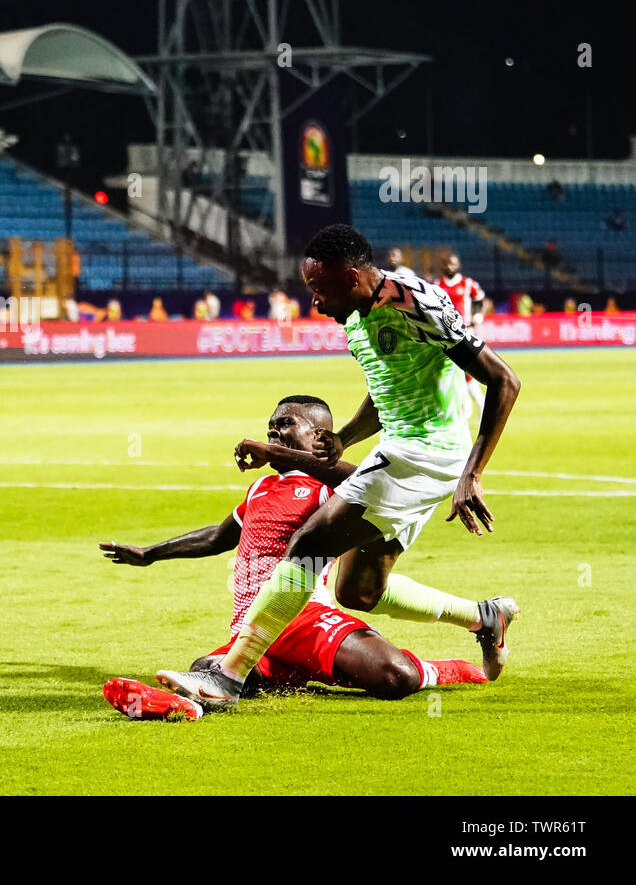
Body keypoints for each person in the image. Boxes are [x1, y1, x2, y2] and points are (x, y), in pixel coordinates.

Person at [160, 224, 521, 711]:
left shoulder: (413, 302)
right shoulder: (355, 315)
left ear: (352, 277)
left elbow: (504, 380)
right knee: (356, 590)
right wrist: (345, 437)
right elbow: (389, 384)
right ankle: (485, 617)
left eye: (319, 290)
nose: (314, 303)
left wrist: (471, 474)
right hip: (401, 445)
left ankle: (229, 676)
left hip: (428, 452)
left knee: (308, 543)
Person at [100, 395, 489, 721]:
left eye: (285, 423)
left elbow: (363, 479)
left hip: (308, 619)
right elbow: (219, 536)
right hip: (255, 628)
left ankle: (441, 670)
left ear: (317, 434)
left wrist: (281, 453)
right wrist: (150, 554)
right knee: (205, 668)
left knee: (395, 677)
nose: (273, 430)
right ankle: (181, 706)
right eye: (271, 424)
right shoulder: (261, 488)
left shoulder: (331, 487)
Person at [436, 252, 490, 416]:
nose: (450, 266)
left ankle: (478, 407)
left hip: (465, 331)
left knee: (466, 369)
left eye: (453, 263)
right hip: (444, 333)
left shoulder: (468, 284)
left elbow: (483, 301)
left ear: (458, 265)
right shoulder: (436, 285)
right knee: (454, 371)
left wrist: (479, 315)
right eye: (447, 263)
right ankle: (467, 409)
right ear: (443, 266)